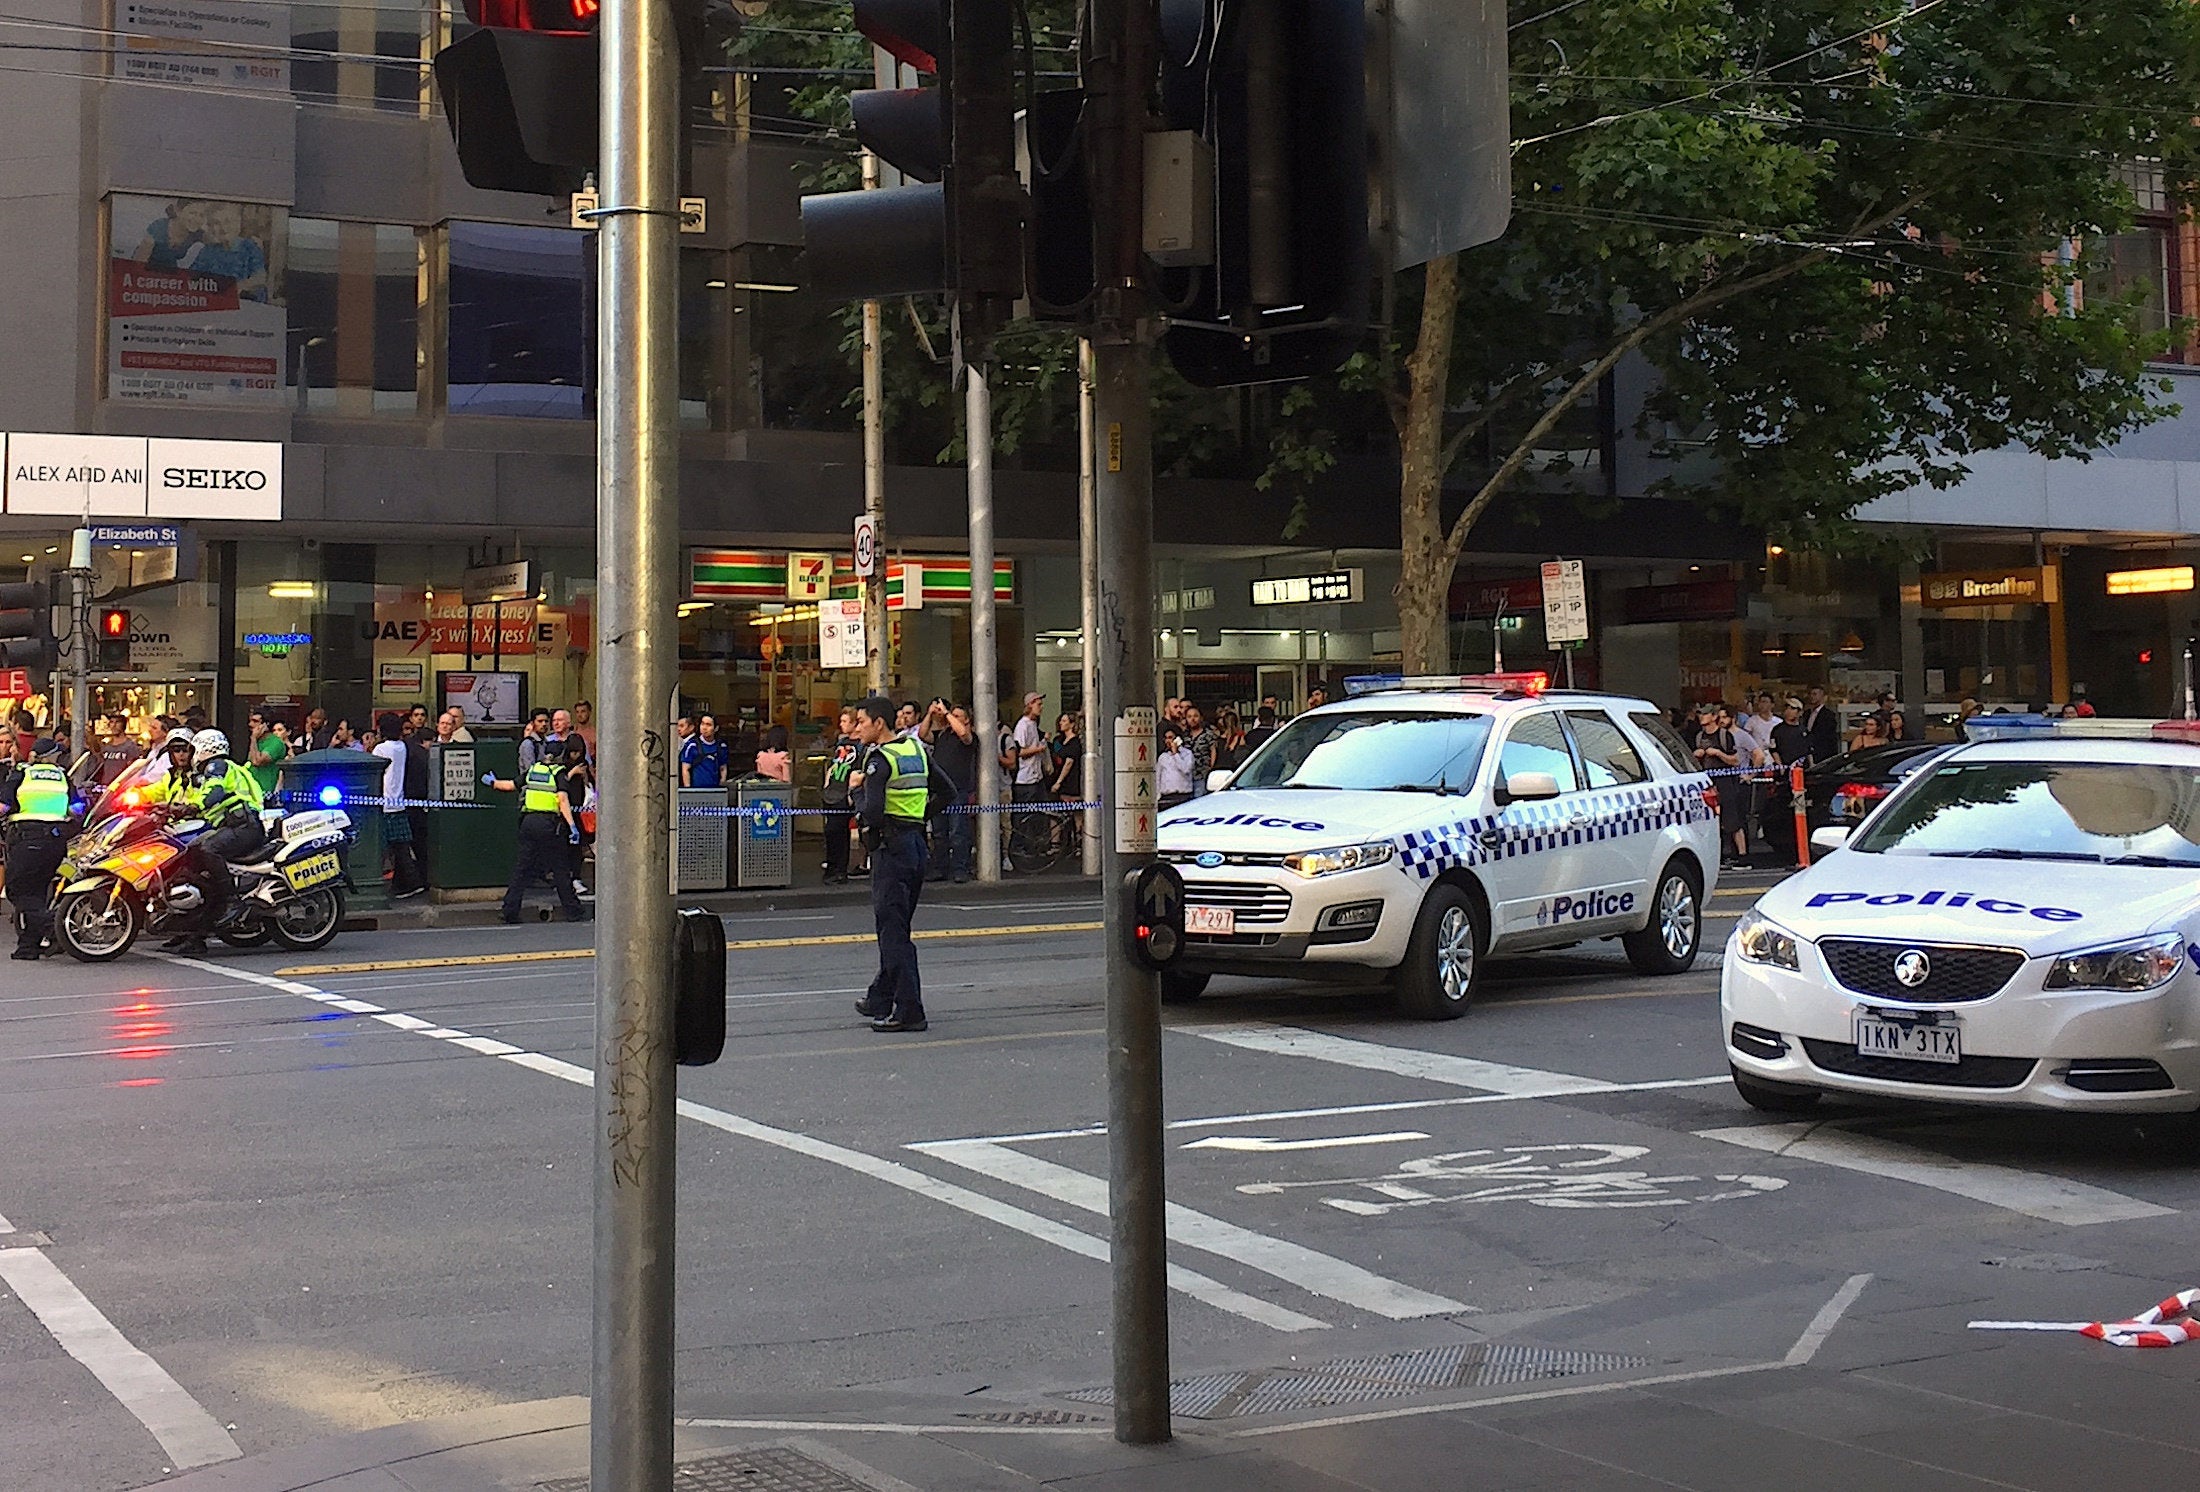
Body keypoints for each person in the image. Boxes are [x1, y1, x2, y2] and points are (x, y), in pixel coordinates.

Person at [851, 696, 957, 1033]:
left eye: (861, 722)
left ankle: (910, 1010)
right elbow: (948, 792)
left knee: (893, 933)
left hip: (891, 851)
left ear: (878, 724)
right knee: (897, 926)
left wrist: (855, 791)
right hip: (915, 846)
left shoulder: (879, 760)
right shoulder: (915, 750)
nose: (857, 728)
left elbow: (872, 812)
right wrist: (918, 817)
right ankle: (880, 996)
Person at [155, 730, 267, 953]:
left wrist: (192, 807)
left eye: (194, 749)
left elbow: (213, 794)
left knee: (209, 849)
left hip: (244, 826)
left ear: (206, 749)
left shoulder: (217, 766)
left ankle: (231, 900)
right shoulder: (212, 770)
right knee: (198, 870)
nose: (191, 755)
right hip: (233, 825)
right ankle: (194, 933)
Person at [486, 748, 587, 924]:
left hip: (528, 823)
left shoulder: (533, 770)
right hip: (549, 825)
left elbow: (510, 785)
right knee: (560, 870)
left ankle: (509, 911)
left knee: (522, 870)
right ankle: (574, 911)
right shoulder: (559, 772)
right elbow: (562, 799)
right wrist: (572, 826)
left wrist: (492, 783)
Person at [2, 737, 77, 960]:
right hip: (55, 842)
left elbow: (3, 806)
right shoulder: (63, 776)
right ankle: (28, 947)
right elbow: (78, 809)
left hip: (28, 839)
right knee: (37, 891)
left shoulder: (21, 773)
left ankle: (53, 923)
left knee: (17, 890)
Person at [372, 713, 425, 900]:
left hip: (384, 803)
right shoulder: (402, 747)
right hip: (399, 802)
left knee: (384, 848)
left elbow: (375, 773)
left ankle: (406, 882)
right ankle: (410, 882)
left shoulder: (380, 749)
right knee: (401, 847)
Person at [929, 703, 979, 883]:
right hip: (938, 790)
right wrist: (931, 714)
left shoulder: (970, 738)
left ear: (967, 719)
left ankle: (960, 868)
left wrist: (948, 713)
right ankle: (940, 868)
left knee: (958, 831)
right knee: (939, 832)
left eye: (959, 716)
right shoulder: (942, 736)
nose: (953, 719)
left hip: (958, 788)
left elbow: (964, 734)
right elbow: (922, 734)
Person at [1694, 706, 1748, 867]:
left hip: (1725, 781)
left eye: (1705, 714)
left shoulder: (1725, 735)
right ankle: (1720, 856)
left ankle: (1742, 856)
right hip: (1707, 781)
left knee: (1732, 820)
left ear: (1713, 716)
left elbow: (1735, 760)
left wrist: (1718, 753)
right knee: (1711, 820)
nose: (1701, 717)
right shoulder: (1699, 737)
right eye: (1700, 714)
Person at [820, 708, 861, 884]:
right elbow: (834, 764)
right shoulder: (841, 743)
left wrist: (852, 793)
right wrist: (827, 783)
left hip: (845, 793)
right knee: (830, 832)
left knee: (839, 830)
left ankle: (840, 869)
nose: (842, 725)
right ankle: (831, 866)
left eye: (845, 721)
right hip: (833, 790)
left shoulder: (861, 745)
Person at [556, 735, 593, 900]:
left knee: (577, 849)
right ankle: (567, 880)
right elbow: (561, 784)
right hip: (566, 812)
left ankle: (576, 878)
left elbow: (590, 786)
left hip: (580, 811)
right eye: (573, 753)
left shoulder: (584, 765)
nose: (576, 757)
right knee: (564, 849)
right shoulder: (562, 767)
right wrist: (573, 772)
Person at [1011, 690, 1050, 807]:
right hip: (1026, 779)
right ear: (1030, 705)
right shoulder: (1023, 725)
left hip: (1037, 777)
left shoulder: (1033, 724)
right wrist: (1039, 749)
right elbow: (1020, 751)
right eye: (1038, 704)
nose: (1041, 707)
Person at [246, 709, 289, 804]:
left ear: (266, 724)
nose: (251, 724)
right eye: (250, 721)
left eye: (255, 721)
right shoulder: (258, 742)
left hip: (266, 793)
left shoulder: (275, 743)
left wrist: (253, 738)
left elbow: (257, 761)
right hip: (252, 793)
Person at [681, 712, 729, 788]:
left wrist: (721, 785)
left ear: (716, 728)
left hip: (715, 791)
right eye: (702, 724)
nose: (704, 728)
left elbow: (723, 768)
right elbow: (685, 769)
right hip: (696, 791)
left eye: (708, 725)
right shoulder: (692, 745)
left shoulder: (721, 746)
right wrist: (688, 790)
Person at [1047, 711, 1085, 802]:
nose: (1061, 723)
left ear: (1071, 724)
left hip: (1069, 783)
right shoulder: (1059, 740)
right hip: (1057, 778)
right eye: (1061, 721)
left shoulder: (1074, 743)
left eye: (1064, 721)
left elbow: (1069, 763)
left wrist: (1058, 782)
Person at [1157, 725, 1196, 808]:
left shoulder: (1187, 754)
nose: (1168, 741)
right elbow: (1158, 777)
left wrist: (1176, 754)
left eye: (1170, 737)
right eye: (1166, 738)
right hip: (1167, 796)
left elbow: (1186, 769)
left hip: (1183, 795)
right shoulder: (1163, 757)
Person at [1801, 685, 1841, 763]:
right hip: (1808, 753)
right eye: (1811, 694)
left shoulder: (1828, 715)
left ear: (1823, 696)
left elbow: (1826, 736)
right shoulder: (1807, 714)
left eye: (1815, 694)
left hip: (1822, 754)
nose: (1812, 697)